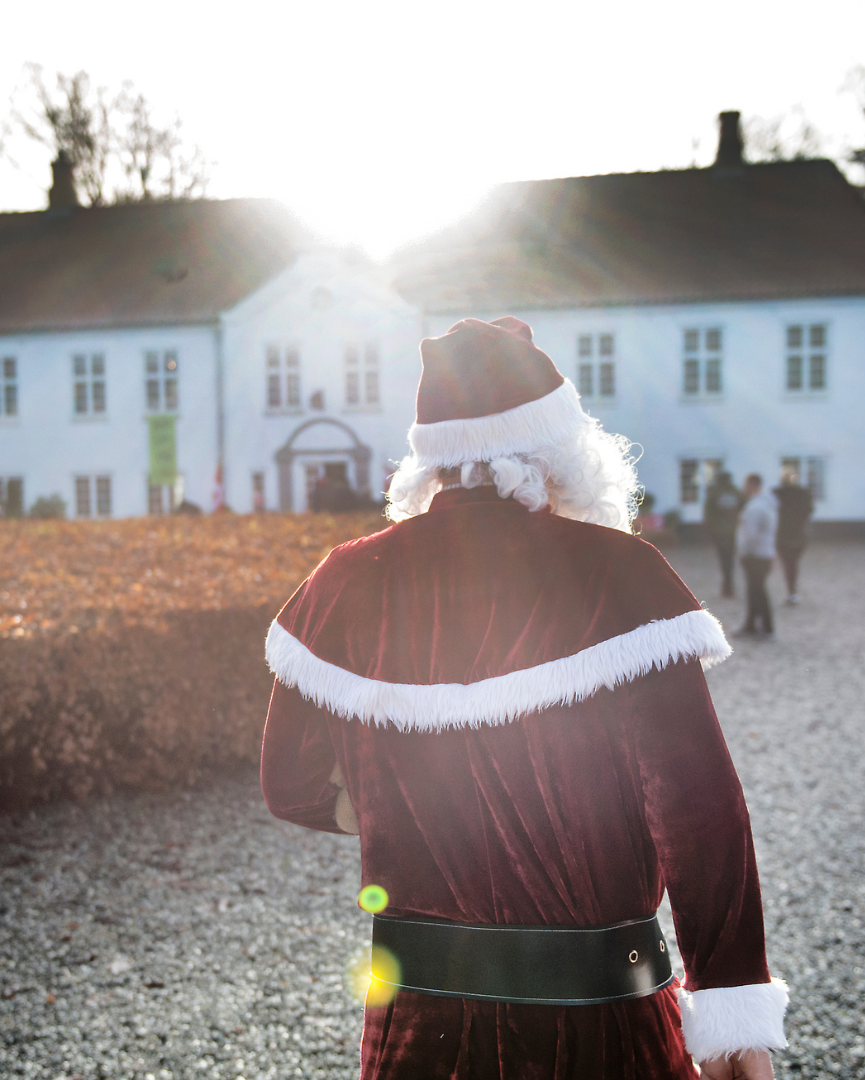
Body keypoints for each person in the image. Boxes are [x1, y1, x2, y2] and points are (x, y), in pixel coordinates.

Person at [260, 317, 786, 1080]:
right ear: (560, 452)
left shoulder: (344, 581)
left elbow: (290, 785)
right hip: (604, 1020)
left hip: (418, 1023)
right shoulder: (621, 575)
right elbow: (702, 816)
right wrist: (735, 1021)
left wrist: (400, 808)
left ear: (432, 462)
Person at [737, 472, 778, 636]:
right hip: (765, 553)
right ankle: (752, 625)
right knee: (755, 592)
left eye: (746, 485)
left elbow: (750, 535)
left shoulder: (754, 507)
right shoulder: (767, 504)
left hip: (755, 555)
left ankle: (766, 627)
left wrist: (743, 552)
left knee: (757, 593)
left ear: (752, 485)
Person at [771, 469, 813, 605]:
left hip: (782, 534)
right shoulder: (803, 493)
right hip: (798, 533)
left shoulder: (776, 493)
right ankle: (792, 592)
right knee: (793, 564)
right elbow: (809, 510)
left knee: (788, 564)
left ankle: (791, 592)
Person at [704, 469, 742, 599]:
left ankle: (726, 585)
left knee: (723, 558)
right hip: (733, 531)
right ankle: (729, 584)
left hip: (719, 532)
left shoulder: (714, 493)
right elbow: (743, 507)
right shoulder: (735, 492)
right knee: (730, 558)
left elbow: (708, 513)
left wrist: (710, 529)